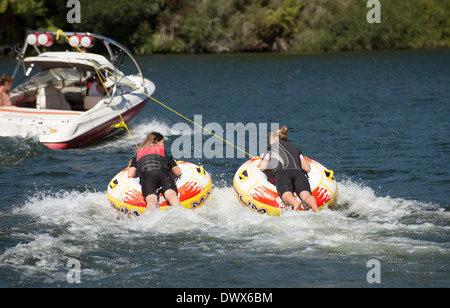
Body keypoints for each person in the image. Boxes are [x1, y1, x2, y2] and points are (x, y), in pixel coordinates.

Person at [259, 126, 319, 212]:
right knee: (306, 195)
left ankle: (295, 203)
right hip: (298, 173)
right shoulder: (296, 148)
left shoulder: (270, 148)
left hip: (282, 174)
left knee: (286, 195)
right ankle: (315, 207)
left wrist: (263, 158)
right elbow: (306, 168)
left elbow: (263, 167)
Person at [128, 132, 182, 210]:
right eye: (162, 143)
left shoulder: (138, 153)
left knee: (151, 200)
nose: (163, 145)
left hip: (147, 176)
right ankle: (179, 211)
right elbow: (178, 172)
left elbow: (131, 174)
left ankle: (150, 219)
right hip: (163, 174)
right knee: (171, 194)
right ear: (156, 141)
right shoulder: (164, 152)